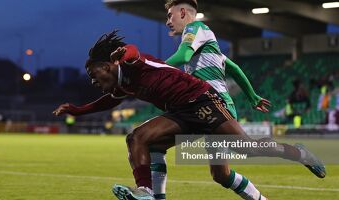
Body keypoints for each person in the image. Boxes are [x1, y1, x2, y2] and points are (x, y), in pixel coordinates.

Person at [53, 31, 325, 200]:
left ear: (106, 65)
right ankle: (147, 193)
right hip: (181, 113)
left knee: (248, 149)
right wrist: (77, 111)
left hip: (202, 102)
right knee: (138, 138)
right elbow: (106, 103)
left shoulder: (132, 62)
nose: (92, 81)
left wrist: (123, 54)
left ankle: (300, 153)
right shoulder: (123, 84)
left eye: (93, 75)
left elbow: (133, 51)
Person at [149, 1, 271, 199]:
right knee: (221, 175)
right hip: (205, 107)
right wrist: (252, 96)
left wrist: (154, 68)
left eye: (170, 15)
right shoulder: (206, 43)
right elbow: (234, 68)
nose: (167, 22)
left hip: (214, 106)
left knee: (152, 141)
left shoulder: (195, 28)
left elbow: (184, 55)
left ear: (182, 12)